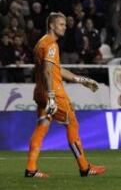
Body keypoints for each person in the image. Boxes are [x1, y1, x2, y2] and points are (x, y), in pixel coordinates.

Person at [25, 12, 106, 178]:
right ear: (52, 26)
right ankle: (84, 167)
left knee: (42, 126)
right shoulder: (51, 45)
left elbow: (55, 69)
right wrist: (52, 96)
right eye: (61, 24)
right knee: (72, 123)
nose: (65, 27)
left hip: (40, 92)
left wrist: (81, 79)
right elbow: (48, 71)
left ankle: (31, 168)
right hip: (52, 92)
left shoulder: (41, 43)